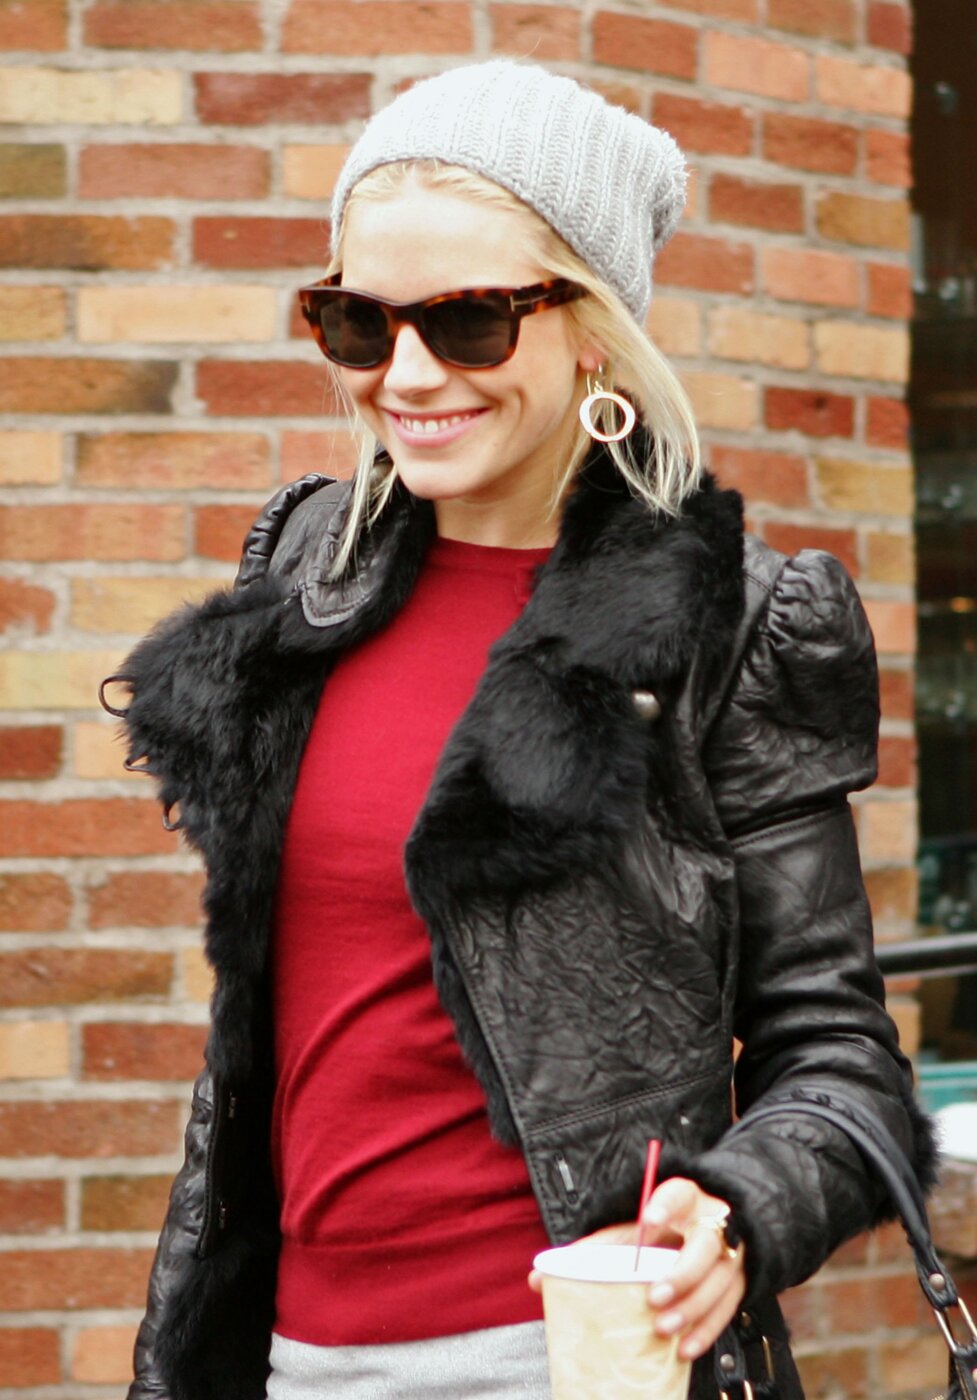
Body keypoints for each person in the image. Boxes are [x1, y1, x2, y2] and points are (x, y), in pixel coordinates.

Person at [105, 60, 934, 1400]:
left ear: (592, 328)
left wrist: (732, 1209)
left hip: (565, 1357)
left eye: (470, 323)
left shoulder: (728, 623)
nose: (406, 374)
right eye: (357, 322)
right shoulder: (309, 574)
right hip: (285, 1357)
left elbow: (838, 1059)